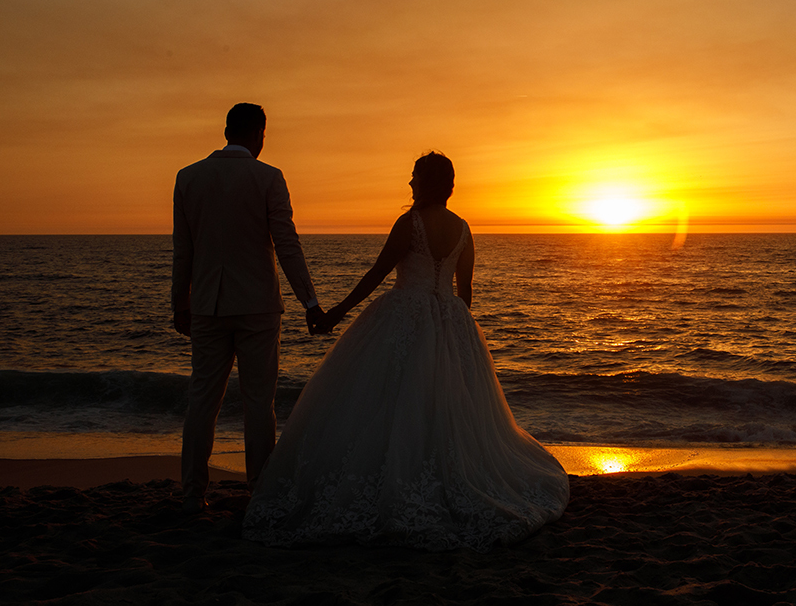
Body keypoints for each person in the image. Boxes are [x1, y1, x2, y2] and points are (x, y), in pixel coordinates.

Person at [242, 152, 569, 550]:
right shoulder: (464, 229)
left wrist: (334, 315)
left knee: (387, 403)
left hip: (403, 314)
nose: (409, 184)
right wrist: (450, 326)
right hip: (451, 320)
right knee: (442, 409)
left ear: (427, 183)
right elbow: (465, 292)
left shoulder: (410, 223)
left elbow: (376, 275)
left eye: (414, 178)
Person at [172, 103, 323, 515]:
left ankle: (191, 493)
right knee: (259, 402)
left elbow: (182, 251)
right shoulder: (268, 178)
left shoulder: (188, 178)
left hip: (207, 305)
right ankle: (259, 489)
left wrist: (179, 303)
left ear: (225, 130)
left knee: (202, 399)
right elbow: (287, 245)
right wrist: (308, 300)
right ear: (259, 134)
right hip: (257, 305)